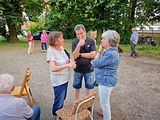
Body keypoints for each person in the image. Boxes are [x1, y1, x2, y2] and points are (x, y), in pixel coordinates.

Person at [92, 30, 120, 120]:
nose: (101, 40)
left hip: (106, 81)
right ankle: (104, 112)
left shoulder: (110, 54)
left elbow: (95, 63)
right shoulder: (109, 51)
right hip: (106, 80)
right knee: (104, 102)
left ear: (110, 41)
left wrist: (99, 51)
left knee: (104, 103)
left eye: (103, 39)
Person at [47, 31, 76, 117]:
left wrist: (71, 62)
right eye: (61, 38)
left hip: (65, 79)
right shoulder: (51, 51)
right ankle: (55, 116)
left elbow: (66, 59)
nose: (63, 39)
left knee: (62, 98)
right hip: (58, 81)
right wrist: (68, 65)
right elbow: (53, 68)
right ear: (56, 41)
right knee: (59, 100)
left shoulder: (61, 48)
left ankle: (59, 114)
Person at [72, 24, 96, 100]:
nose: (79, 35)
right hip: (77, 69)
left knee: (89, 87)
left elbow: (93, 55)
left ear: (85, 32)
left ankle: (87, 104)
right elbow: (75, 56)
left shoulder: (91, 41)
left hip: (89, 69)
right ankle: (77, 103)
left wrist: (81, 54)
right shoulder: (75, 42)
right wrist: (79, 45)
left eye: (81, 33)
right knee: (77, 87)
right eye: (77, 34)